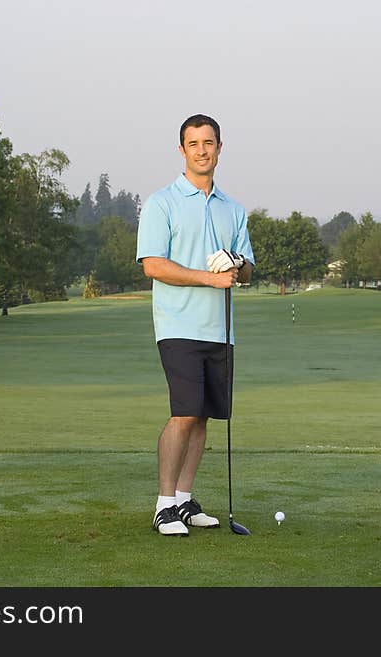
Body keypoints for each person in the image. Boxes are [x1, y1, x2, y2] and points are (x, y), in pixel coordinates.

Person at [135, 114, 255, 536]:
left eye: (209, 143)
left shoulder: (233, 209)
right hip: (178, 325)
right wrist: (209, 277)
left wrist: (237, 265)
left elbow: (248, 271)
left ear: (220, 148)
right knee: (184, 413)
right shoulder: (162, 202)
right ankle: (164, 505)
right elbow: (153, 265)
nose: (202, 150)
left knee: (203, 416)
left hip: (219, 329)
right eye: (193, 143)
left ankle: (185, 501)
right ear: (182, 150)